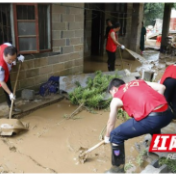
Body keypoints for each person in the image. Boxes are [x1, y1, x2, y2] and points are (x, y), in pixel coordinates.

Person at [104, 78, 174, 174]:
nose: (113, 96)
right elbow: (162, 87)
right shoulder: (137, 82)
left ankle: (117, 169)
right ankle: (159, 147)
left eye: (111, 93)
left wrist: (107, 137)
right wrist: (157, 107)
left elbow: (111, 123)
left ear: (114, 89)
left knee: (115, 135)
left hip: (153, 119)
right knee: (152, 122)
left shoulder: (116, 98)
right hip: (168, 113)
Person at [0, 43, 25, 112]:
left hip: (5, 71)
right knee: (8, 90)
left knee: (9, 88)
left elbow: (14, 53)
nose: (11, 61)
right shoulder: (1, 67)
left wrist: (19, 56)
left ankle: (12, 108)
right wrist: (10, 94)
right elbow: (2, 82)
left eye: (13, 59)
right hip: (1, 72)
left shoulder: (8, 46)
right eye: (10, 59)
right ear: (4, 55)